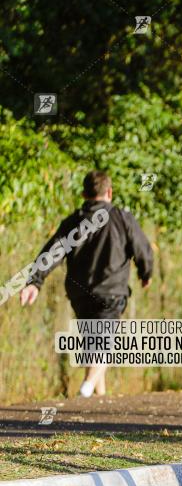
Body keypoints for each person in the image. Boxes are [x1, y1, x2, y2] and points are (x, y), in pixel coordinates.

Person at [20, 170, 153, 397]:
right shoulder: (122, 218)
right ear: (109, 192)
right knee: (104, 346)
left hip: (79, 295)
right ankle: (87, 389)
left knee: (94, 344)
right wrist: (145, 272)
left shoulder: (73, 222)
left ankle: (97, 403)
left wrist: (35, 281)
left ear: (83, 193)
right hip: (111, 293)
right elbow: (142, 248)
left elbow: (52, 253)